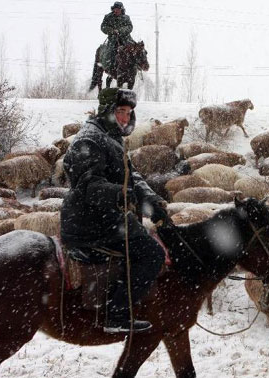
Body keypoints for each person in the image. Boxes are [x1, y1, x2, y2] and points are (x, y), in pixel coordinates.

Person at [60, 87, 169, 334]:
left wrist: (152, 202)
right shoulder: (89, 139)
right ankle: (116, 314)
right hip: (90, 221)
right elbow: (88, 185)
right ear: (107, 110)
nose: (125, 118)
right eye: (120, 111)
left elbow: (133, 177)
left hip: (106, 217)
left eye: (129, 113)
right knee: (152, 253)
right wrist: (121, 193)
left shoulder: (109, 137)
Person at [101, 2, 135, 71]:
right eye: (115, 9)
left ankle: (137, 66)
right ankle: (110, 67)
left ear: (121, 10)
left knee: (137, 49)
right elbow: (103, 27)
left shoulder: (126, 17)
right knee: (110, 52)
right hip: (113, 40)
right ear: (113, 9)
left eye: (118, 9)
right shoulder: (108, 17)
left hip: (126, 39)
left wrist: (120, 30)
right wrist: (112, 31)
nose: (116, 11)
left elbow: (130, 27)